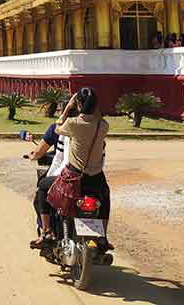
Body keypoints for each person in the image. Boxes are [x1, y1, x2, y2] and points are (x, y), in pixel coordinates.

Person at [53, 87, 112, 251]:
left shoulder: (72, 124)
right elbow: (98, 119)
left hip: (74, 177)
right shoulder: (103, 126)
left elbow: (58, 128)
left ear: (78, 103)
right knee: (105, 199)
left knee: (45, 189)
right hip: (96, 178)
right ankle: (103, 237)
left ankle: (48, 233)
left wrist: (67, 109)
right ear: (96, 106)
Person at [27, 117, 68, 248]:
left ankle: (46, 231)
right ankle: (103, 238)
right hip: (94, 177)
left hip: (69, 175)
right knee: (104, 194)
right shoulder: (99, 127)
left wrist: (34, 156)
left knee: (42, 188)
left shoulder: (61, 129)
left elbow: (40, 152)